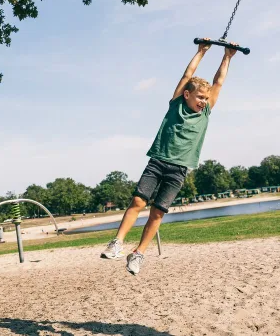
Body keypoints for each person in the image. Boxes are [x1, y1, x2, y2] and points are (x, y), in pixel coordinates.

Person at [100, 39, 237, 275]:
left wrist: (227, 56)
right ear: (186, 95)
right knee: (138, 202)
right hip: (158, 162)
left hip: (179, 169)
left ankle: (138, 253)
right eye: (199, 97)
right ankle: (117, 243)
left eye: (206, 98)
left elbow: (219, 82)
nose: (203, 101)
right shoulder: (176, 105)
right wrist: (201, 52)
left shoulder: (206, 112)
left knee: (158, 212)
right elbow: (188, 74)